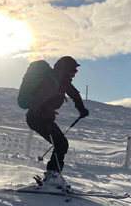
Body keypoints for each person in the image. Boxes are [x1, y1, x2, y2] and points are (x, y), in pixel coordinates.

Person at [26, 56, 89, 188]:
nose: (74, 74)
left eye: (75, 72)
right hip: (37, 117)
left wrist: (81, 109)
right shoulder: (50, 81)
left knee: (61, 144)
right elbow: (39, 100)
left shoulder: (63, 82)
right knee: (61, 143)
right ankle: (52, 177)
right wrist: (43, 114)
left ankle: (53, 175)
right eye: (73, 71)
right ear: (65, 69)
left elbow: (75, 94)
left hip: (43, 118)